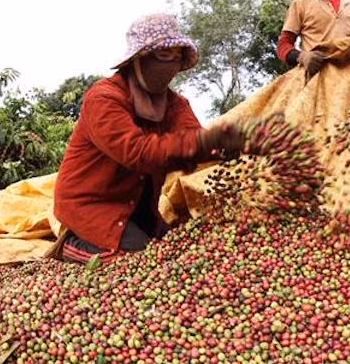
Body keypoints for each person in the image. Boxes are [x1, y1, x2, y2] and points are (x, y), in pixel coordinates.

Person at [53, 13, 246, 263]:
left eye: (177, 58)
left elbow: (193, 141)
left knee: (177, 249)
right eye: (164, 56)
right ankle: (71, 245)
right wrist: (206, 141)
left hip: (140, 207)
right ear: (138, 60)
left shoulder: (175, 105)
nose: (171, 66)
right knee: (137, 260)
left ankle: (133, 233)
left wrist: (228, 146)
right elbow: (137, 152)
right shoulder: (104, 98)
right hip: (91, 205)